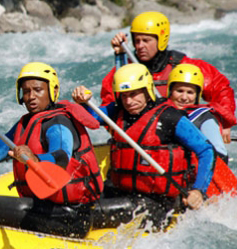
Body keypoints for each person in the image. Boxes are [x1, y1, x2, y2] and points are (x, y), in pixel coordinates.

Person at [0, 62, 103, 237]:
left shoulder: (58, 123)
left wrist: (35, 158)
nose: (31, 97)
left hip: (69, 217)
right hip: (42, 208)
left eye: (38, 90)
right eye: (27, 91)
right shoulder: (25, 124)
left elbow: (61, 157)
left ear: (52, 91)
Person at [74, 63, 216, 228]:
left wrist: (198, 190)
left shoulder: (170, 118)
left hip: (156, 202)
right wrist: (83, 102)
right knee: (75, 204)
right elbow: (90, 118)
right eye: (124, 95)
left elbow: (206, 151)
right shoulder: (117, 110)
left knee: (84, 216)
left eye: (134, 94)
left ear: (148, 90)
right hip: (118, 191)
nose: (128, 101)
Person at [99, 11, 237, 142]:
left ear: (161, 39)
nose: (140, 46)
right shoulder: (126, 70)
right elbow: (110, 101)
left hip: (182, 133)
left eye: (146, 40)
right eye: (137, 41)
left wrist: (224, 122)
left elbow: (221, 89)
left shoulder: (186, 66)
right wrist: (120, 56)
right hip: (142, 137)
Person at [167, 63, 229, 163]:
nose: (184, 97)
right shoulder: (159, 111)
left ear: (197, 95)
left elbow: (221, 156)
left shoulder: (204, 118)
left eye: (190, 92)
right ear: (170, 91)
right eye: (179, 91)